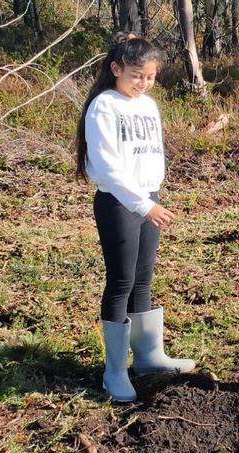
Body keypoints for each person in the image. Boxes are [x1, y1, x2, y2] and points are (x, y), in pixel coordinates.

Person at [76, 32, 194, 402]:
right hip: (119, 204)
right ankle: (114, 371)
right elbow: (108, 168)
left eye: (150, 77)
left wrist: (152, 195)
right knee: (121, 282)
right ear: (116, 69)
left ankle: (148, 356)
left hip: (148, 199)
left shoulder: (148, 106)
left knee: (143, 280)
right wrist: (144, 205)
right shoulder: (104, 107)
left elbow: (151, 155)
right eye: (136, 75)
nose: (143, 83)